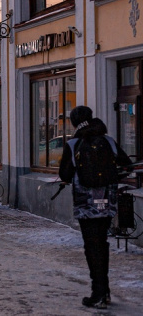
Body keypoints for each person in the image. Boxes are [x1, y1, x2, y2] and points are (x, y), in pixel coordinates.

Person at [59, 106, 132, 309]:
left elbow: (64, 175)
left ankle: (98, 293)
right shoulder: (108, 141)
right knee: (102, 243)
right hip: (107, 202)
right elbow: (126, 165)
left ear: (74, 122)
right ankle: (104, 290)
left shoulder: (73, 144)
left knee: (92, 246)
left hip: (85, 204)